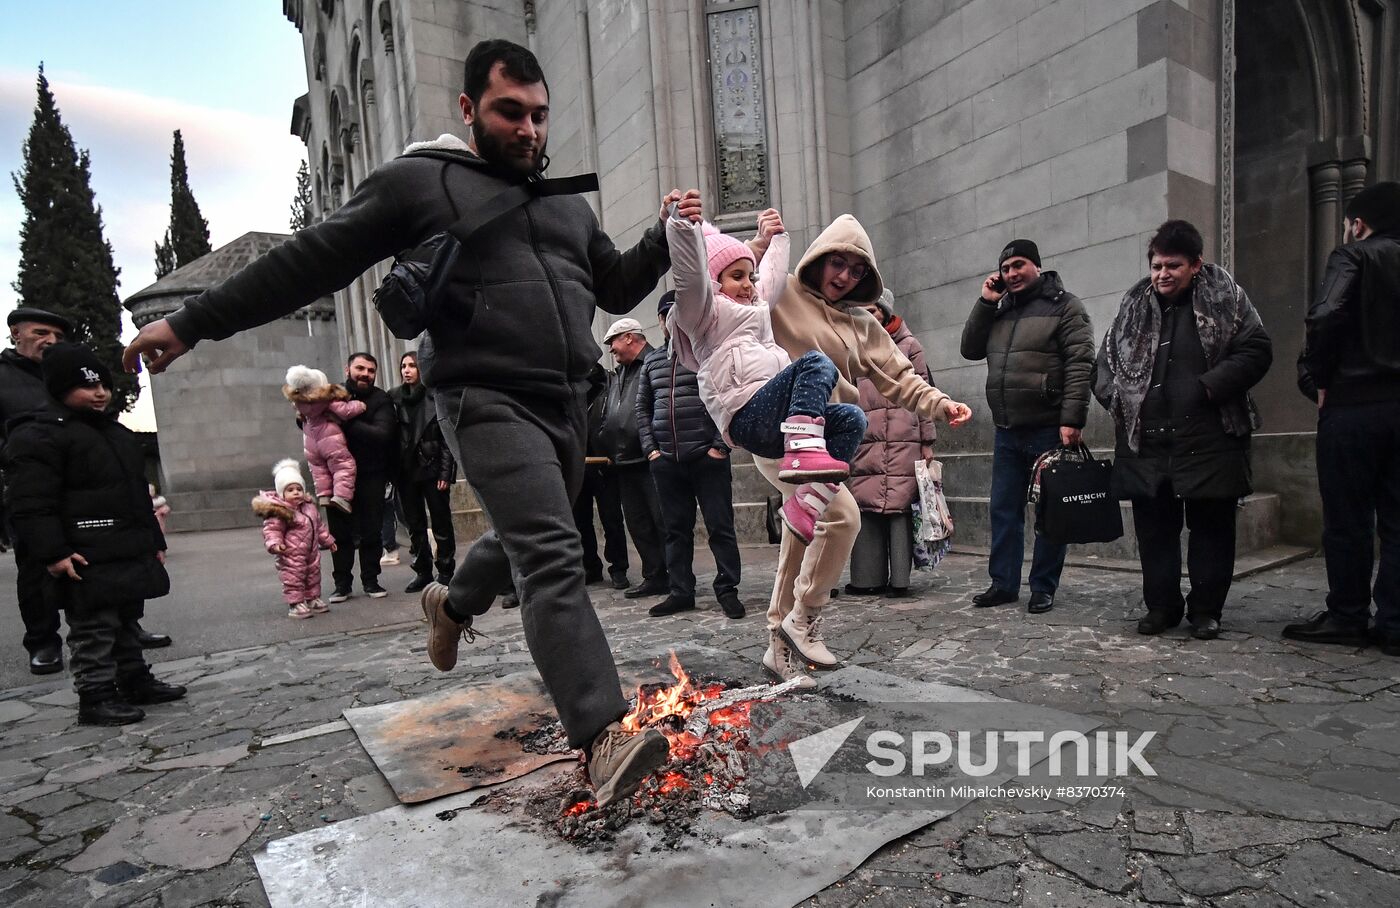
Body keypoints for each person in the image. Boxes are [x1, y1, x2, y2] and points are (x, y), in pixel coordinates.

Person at [123, 39, 689, 807]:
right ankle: (602, 736)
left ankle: (449, 604)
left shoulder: (562, 202)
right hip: (483, 398)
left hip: (566, 398)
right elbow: (311, 259)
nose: (528, 129)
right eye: (509, 112)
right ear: (468, 110)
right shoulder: (423, 183)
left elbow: (613, 282)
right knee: (552, 553)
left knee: (531, 533)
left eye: (539, 115)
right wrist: (192, 322)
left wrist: (659, 235)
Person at [746, 211, 973, 687]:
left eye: (857, 270)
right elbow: (737, 288)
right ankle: (803, 619)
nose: (845, 275)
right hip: (785, 433)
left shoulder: (863, 324)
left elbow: (902, 376)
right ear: (819, 259)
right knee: (842, 516)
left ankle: (777, 645)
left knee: (801, 533)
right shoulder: (784, 290)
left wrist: (941, 404)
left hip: (831, 437)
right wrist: (760, 243)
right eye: (838, 263)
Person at [1094, 220, 1273, 640]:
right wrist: (1118, 399)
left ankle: (1206, 611)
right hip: (1147, 441)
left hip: (1209, 438)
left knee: (1211, 530)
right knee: (1155, 533)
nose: (1162, 274)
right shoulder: (1133, 304)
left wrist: (1209, 388)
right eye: (1156, 265)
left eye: (1172, 265)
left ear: (1195, 264)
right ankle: (1162, 607)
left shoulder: (1227, 299)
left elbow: (1257, 349)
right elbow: (1103, 364)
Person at [3, 343, 186, 725]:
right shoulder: (40, 435)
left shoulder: (114, 433)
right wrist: (53, 552)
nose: (100, 392)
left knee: (126, 621)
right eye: (87, 386)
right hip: (84, 553)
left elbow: (137, 493)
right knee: (93, 628)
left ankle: (134, 680)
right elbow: (31, 502)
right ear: (58, 388)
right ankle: (96, 694)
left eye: (103, 384)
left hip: (124, 547)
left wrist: (154, 541)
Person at [666, 211, 867, 551]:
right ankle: (805, 449)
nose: (748, 284)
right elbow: (690, 277)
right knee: (816, 363)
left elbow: (770, 277)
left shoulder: (758, 310)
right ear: (714, 280)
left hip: (776, 423)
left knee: (852, 418)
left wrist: (774, 238)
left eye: (750, 276)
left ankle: (807, 503)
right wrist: (682, 228)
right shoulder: (702, 314)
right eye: (737, 277)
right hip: (746, 414)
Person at [1289, 181, 1400, 654]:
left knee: (1348, 519)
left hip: (1355, 406)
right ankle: (1395, 624)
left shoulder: (1354, 255)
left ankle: (1348, 615)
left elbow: (1325, 315)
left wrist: (1317, 378)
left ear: (1359, 222)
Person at [960, 239, 1095, 615]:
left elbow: (1081, 363)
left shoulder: (1065, 306)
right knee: (1003, 509)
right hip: (1007, 429)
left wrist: (1072, 419)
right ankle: (1003, 584)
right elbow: (969, 348)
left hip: (1048, 428)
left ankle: (1043, 587)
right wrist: (987, 301)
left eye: (1019, 265)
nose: (1012, 274)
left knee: (1050, 513)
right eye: (1005, 268)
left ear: (1037, 265)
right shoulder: (1000, 310)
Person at [637, 291, 745, 619]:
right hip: (666, 461)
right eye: (667, 314)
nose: (674, 321)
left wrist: (719, 446)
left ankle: (727, 589)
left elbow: (731, 398)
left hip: (706, 458)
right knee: (675, 530)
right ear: (661, 321)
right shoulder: (652, 362)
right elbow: (642, 408)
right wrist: (651, 450)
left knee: (720, 526)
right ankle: (680, 591)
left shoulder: (709, 354)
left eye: (679, 313)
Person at [847, 289, 938, 598]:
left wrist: (928, 441)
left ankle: (900, 580)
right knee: (866, 505)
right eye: (864, 310)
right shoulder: (852, 346)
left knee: (899, 506)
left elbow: (924, 390)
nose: (869, 316)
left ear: (885, 312)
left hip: (903, 436)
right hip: (866, 437)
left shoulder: (909, 345)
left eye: (874, 310)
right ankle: (866, 578)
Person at [1, 307, 70, 674]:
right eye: (41, 332)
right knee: (35, 568)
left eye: (58, 337)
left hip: (77, 484)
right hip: (29, 487)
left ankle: (121, 629)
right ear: (16, 334)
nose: (51, 341)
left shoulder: (65, 375)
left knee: (99, 558)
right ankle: (43, 642)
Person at [600, 318, 669, 601]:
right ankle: (653, 576)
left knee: (661, 520)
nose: (611, 349)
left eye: (613, 342)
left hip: (649, 457)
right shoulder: (619, 373)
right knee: (638, 523)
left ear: (629, 338)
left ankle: (674, 575)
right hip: (623, 460)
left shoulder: (653, 362)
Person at [324, 353, 398, 603]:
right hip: (335, 476)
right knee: (340, 532)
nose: (365, 374)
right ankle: (342, 584)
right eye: (360, 368)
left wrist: (343, 423)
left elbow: (383, 434)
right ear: (348, 369)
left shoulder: (381, 399)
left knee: (371, 531)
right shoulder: (331, 394)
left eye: (370, 370)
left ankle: (371, 580)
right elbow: (313, 422)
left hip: (371, 474)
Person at [390, 350, 457, 593]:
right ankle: (422, 571)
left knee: (441, 521)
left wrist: (445, 474)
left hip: (432, 468)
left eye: (412, 366)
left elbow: (447, 438)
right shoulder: (394, 398)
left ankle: (447, 570)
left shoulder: (435, 396)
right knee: (414, 524)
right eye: (403, 366)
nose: (407, 370)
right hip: (406, 471)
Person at [254, 458, 337, 619]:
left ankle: (312, 597)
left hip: (311, 551)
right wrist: (275, 544)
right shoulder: (281, 511)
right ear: (281, 493)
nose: (296, 492)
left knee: (313, 574)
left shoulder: (309, 507)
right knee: (294, 577)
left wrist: (328, 541)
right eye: (290, 490)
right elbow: (272, 530)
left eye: (298, 489)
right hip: (291, 553)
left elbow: (319, 527)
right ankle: (295, 603)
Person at [576, 362, 631, 590]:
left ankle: (618, 568)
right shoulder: (571, 394)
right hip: (578, 467)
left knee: (612, 519)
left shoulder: (607, 388)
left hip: (604, 465)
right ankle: (591, 566)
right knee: (581, 521)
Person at [283, 364, 366, 512]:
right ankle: (342, 497)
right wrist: (359, 405)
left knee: (319, 469)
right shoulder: (326, 400)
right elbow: (345, 411)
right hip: (329, 439)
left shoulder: (298, 403)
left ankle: (324, 496)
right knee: (344, 465)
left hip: (310, 442)